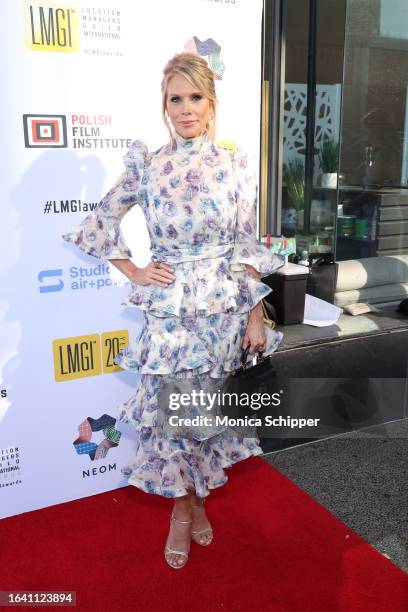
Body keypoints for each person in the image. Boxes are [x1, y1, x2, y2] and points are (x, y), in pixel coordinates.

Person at [62, 52, 284, 569]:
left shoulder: (234, 166)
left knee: (208, 415)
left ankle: (198, 499)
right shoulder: (150, 166)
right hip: (170, 313)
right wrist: (135, 270)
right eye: (175, 99)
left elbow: (247, 244)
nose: (185, 109)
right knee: (172, 421)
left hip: (224, 310)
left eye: (195, 97)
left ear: (212, 103)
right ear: (164, 106)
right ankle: (181, 512)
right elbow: (99, 224)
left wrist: (255, 314)